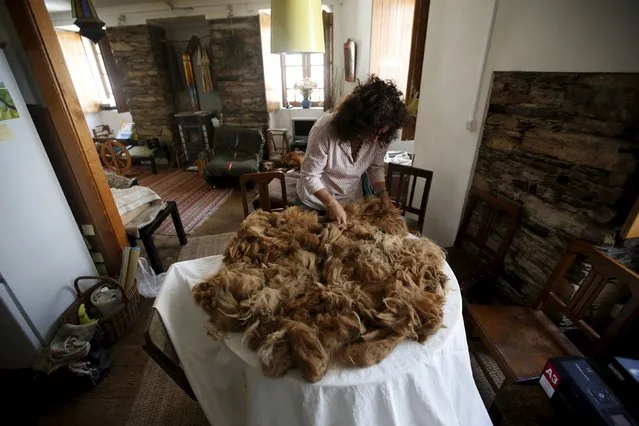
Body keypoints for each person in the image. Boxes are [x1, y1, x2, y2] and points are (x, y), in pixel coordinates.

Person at [296, 75, 409, 224]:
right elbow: (310, 176)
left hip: (350, 203)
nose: (375, 140)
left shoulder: (381, 134)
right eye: (370, 132)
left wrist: (384, 196)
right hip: (314, 201)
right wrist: (331, 203)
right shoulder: (324, 130)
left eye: (380, 133)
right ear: (356, 122)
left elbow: (375, 168)